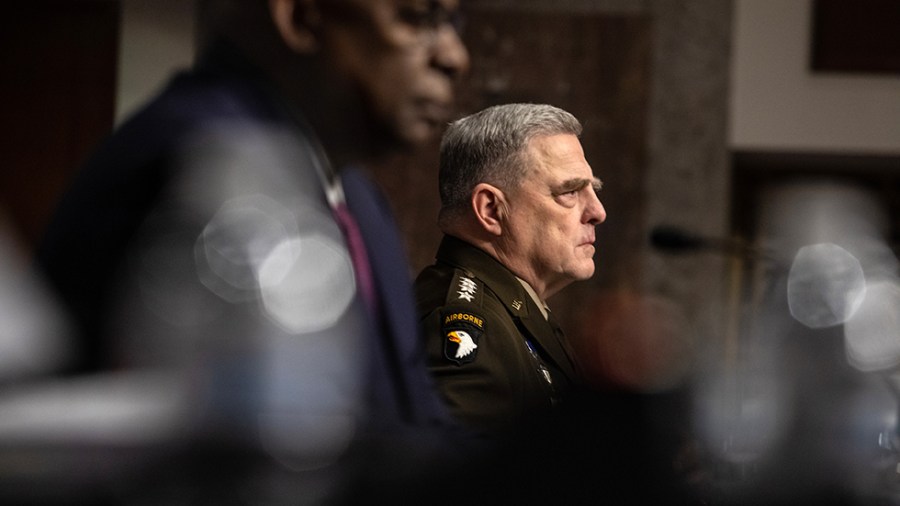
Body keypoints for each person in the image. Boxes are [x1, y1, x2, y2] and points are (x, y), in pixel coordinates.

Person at [29, 0, 469, 502]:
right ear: (302, 17)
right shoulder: (200, 161)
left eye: (455, 23)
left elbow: (410, 421)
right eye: (416, 18)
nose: (455, 56)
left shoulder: (358, 196)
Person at [414, 103, 606, 434]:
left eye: (593, 190)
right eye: (570, 191)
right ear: (491, 210)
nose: (597, 211)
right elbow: (459, 480)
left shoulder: (515, 306)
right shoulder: (472, 325)